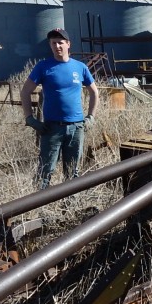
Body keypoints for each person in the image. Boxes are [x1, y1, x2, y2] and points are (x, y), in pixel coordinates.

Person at [20, 28, 99, 188]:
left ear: (68, 44)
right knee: (45, 170)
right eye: (53, 43)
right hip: (52, 128)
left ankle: (70, 205)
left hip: (76, 127)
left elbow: (94, 92)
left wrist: (91, 117)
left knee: (72, 171)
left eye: (60, 42)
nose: (57, 46)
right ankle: (38, 204)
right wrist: (29, 118)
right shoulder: (43, 67)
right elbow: (25, 92)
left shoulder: (80, 67)